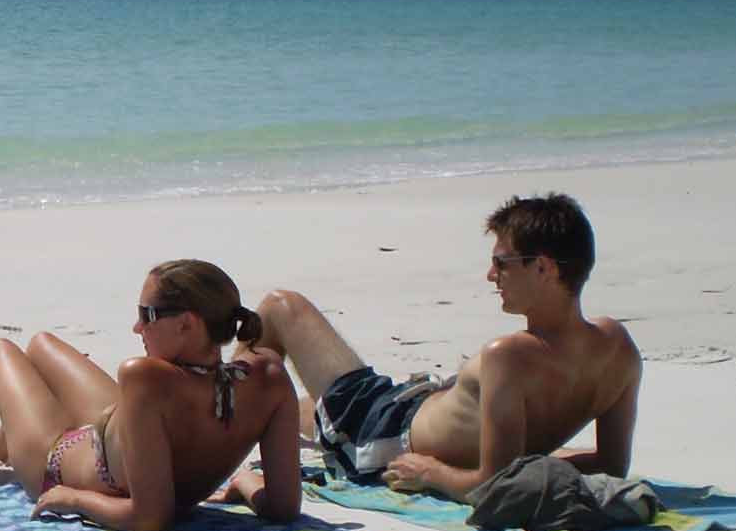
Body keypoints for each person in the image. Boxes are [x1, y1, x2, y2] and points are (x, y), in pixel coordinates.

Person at [254, 191, 641, 499]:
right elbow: (611, 465)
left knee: (279, 307)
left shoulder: (508, 357)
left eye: (502, 263)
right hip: (408, 402)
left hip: (379, 430)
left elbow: (493, 486)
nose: (491, 276)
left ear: (543, 268)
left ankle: (223, 435)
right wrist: (540, 463)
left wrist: (433, 474)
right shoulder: (617, 348)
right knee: (303, 413)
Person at [0, 259, 303, 531]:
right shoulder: (269, 376)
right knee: (41, 344)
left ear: (186, 324)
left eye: (147, 315)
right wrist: (248, 483)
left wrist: (72, 499)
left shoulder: (147, 378)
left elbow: (150, 519)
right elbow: (284, 509)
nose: (137, 328)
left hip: (57, 460)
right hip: (116, 434)